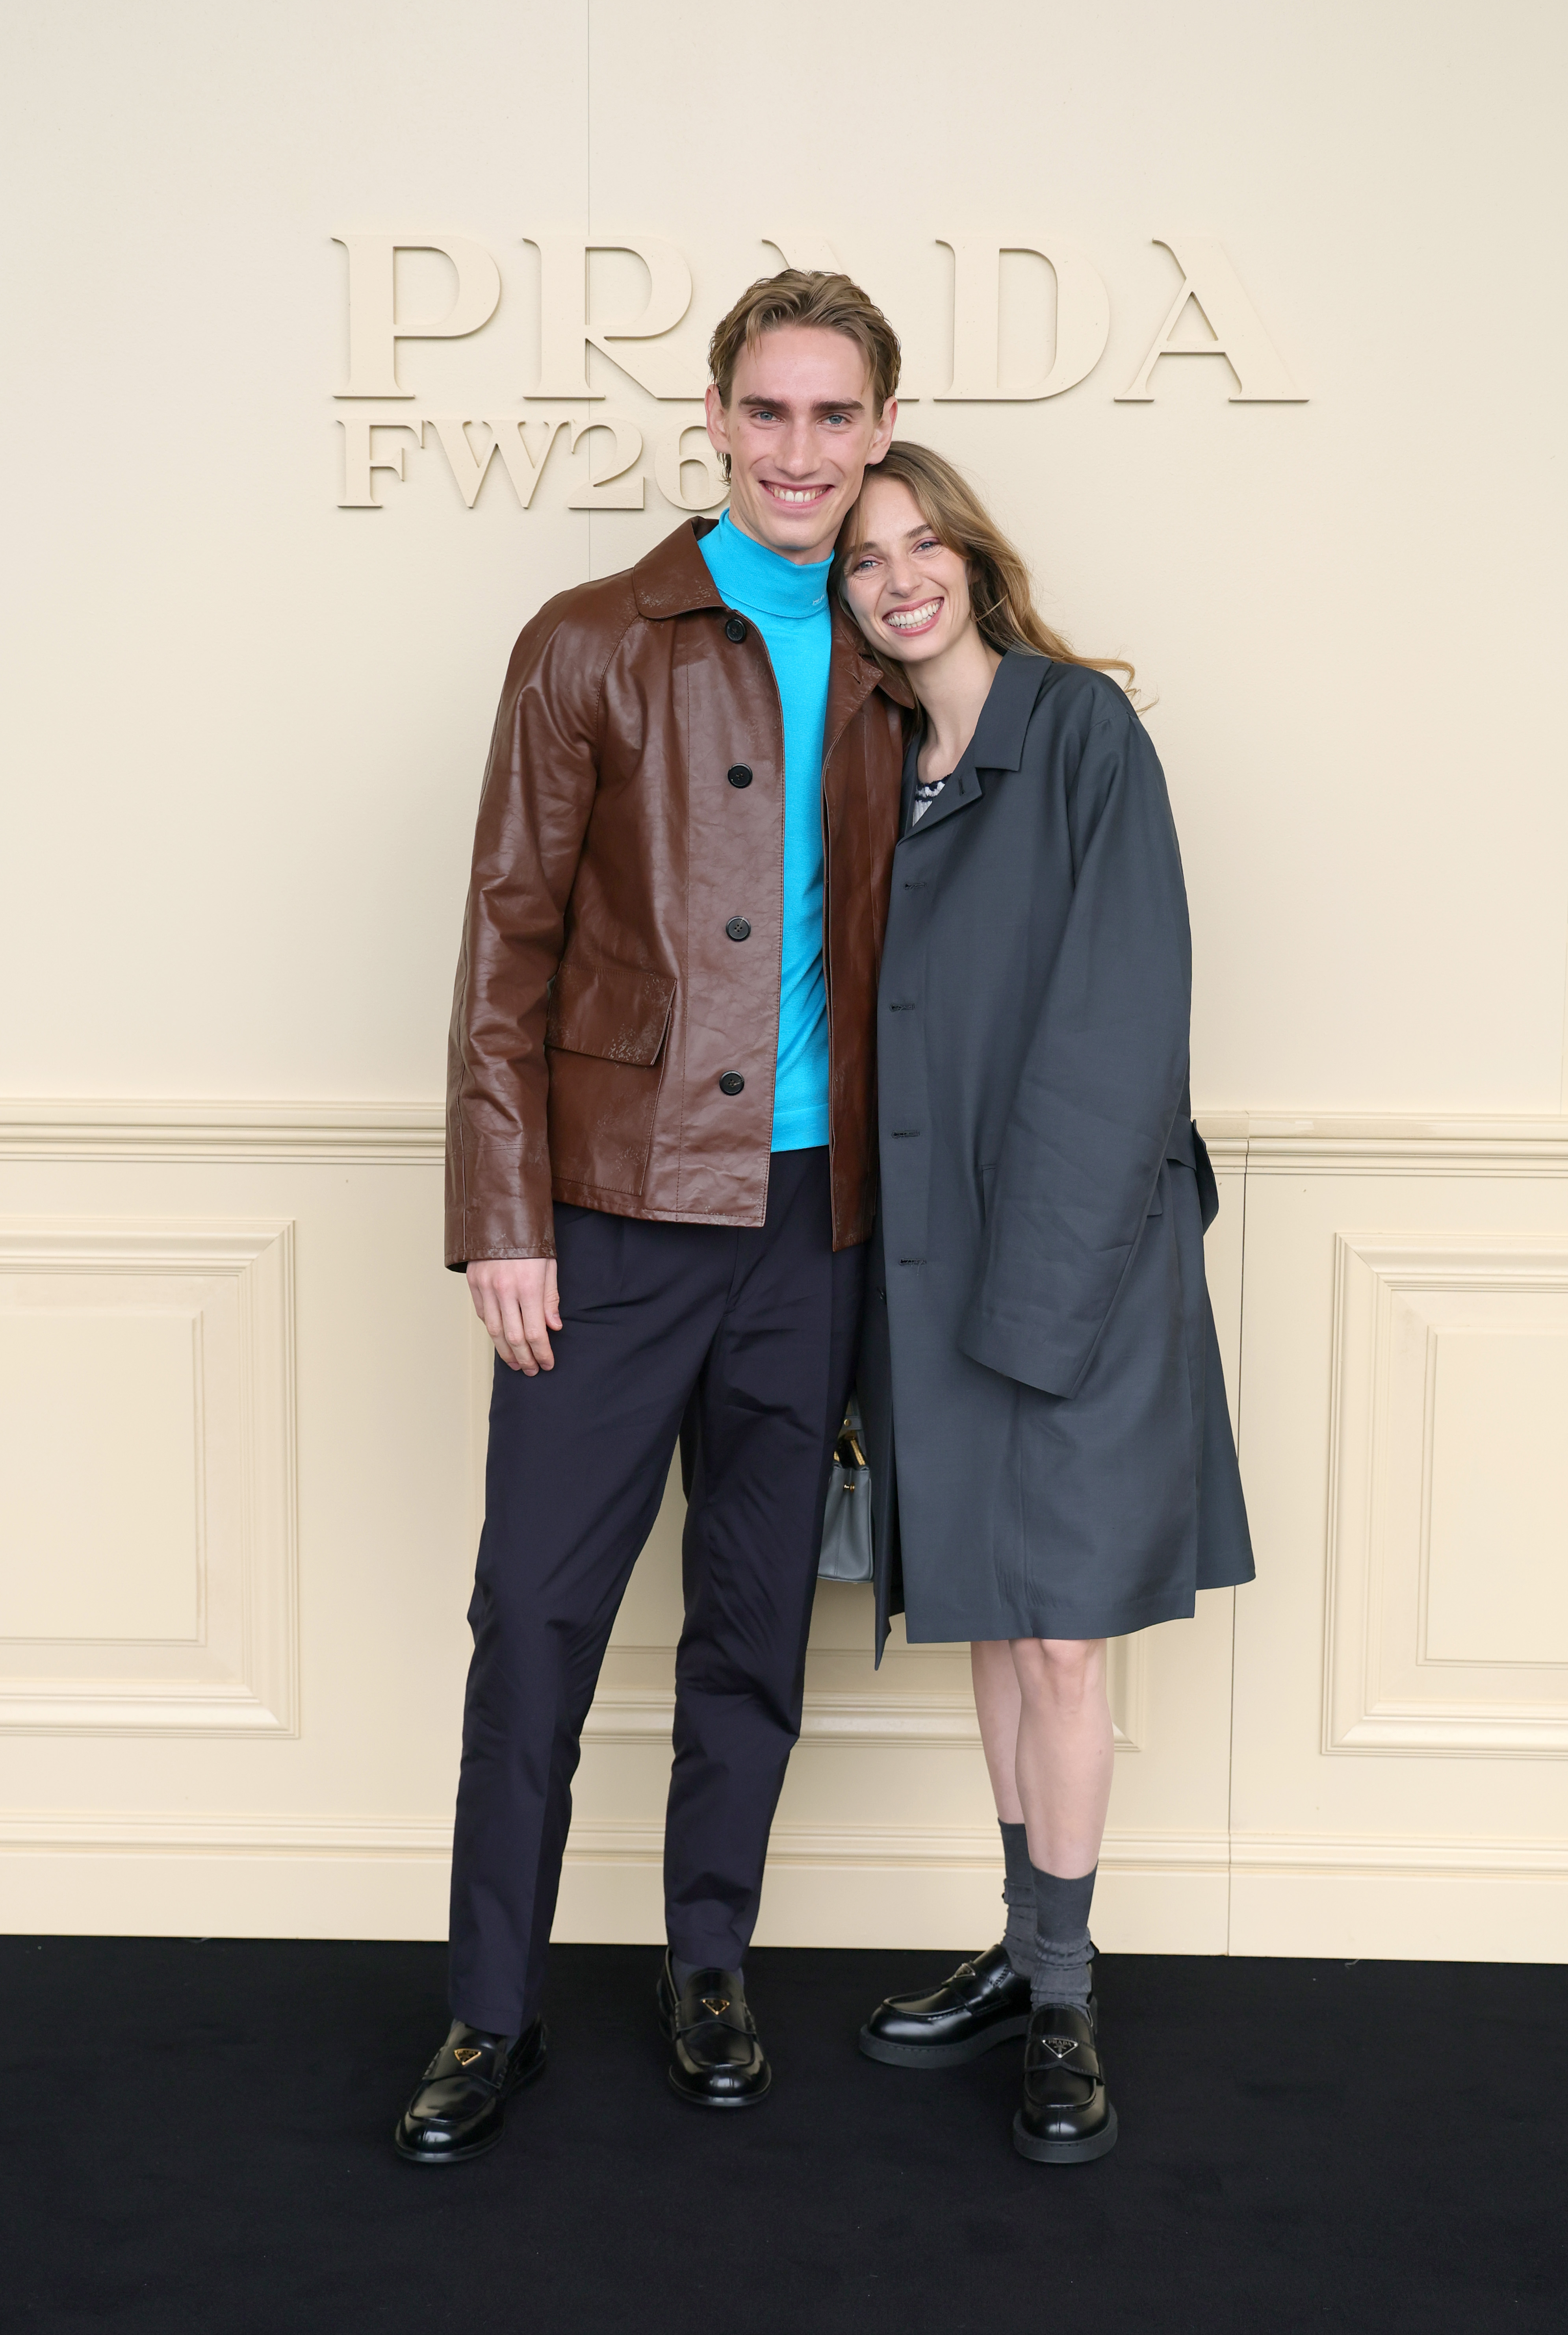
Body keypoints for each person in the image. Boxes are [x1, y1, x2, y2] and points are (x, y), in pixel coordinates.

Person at [395, 271, 907, 2164]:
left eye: (834, 419)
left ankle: (708, 1965)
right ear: (712, 419)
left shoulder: (898, 641)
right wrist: (502, 1217)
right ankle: (489, 2011)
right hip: (607, 1223)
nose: (798, 452)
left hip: (813, 1231)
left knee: (753, 1622)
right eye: (767, 414)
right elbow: (501, 947)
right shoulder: (591, 639)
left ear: (874, 436)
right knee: (533, 1615)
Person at [836, 443, 1254, 2165]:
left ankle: (1066, 1995)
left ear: (977, 559)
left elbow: (1117, 1021)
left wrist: (1046, 1292)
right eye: (866, 562)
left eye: (923, 544)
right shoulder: (872, 768)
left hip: (1067, 1266)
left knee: (1066, 1638)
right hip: (926, 1271)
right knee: (1004, 1627)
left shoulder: (1079, 731)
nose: (899, 578)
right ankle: (1017, 1951)